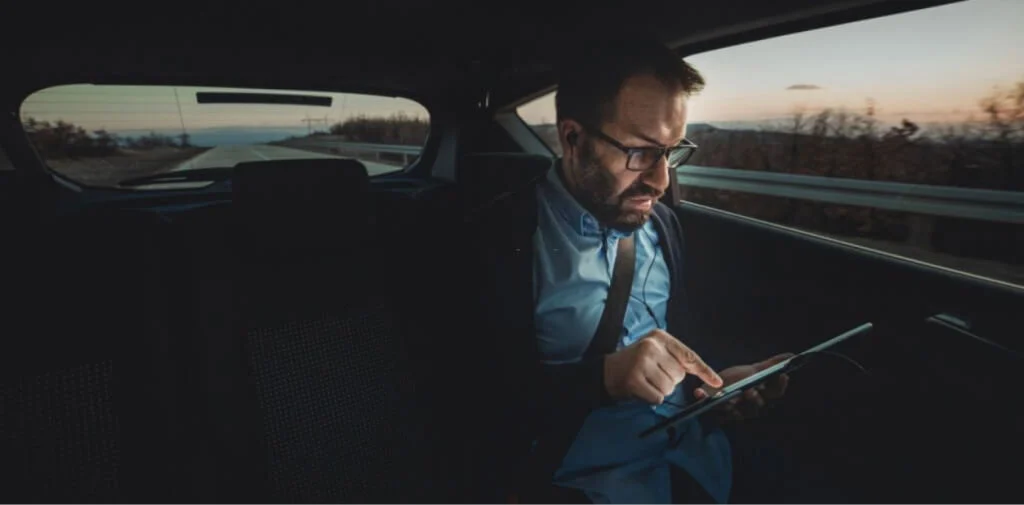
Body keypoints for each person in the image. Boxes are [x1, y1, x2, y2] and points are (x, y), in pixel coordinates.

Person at [464, 36, 792, 504]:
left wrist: (715, 388)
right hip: (581, 484)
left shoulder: (663, 226)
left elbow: (674, 343)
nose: (661, 182)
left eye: (673, 151)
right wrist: (600, 380)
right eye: (640, 152)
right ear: (573, 138)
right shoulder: (497, 238)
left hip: (701, 462)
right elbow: (468, 402)